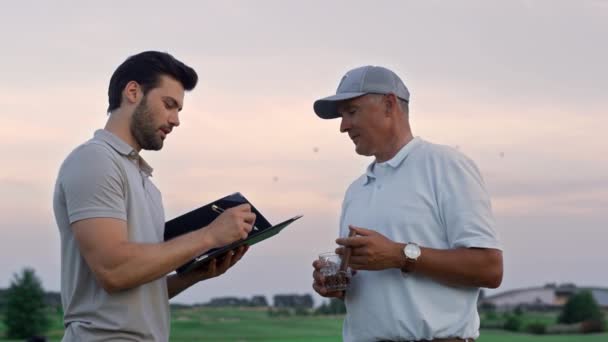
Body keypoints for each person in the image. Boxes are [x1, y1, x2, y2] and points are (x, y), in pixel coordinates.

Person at [53, 51, 256, 341]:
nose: (175, 120)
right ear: (133, 92)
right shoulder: (94, 160)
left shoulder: (146, 183)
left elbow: (136, 289)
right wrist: (210, 236)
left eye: (179, 111)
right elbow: (114, 270)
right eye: (169, 105)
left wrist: (192, 276)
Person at [311, 65, 503, 342]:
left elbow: (490, 269)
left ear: (389, 105)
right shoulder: (356, 191)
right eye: (342, 116)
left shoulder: (445, 166)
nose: (343, 126)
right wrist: (337, 282)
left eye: (351, 112)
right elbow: (371, 284)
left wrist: (400, 255)